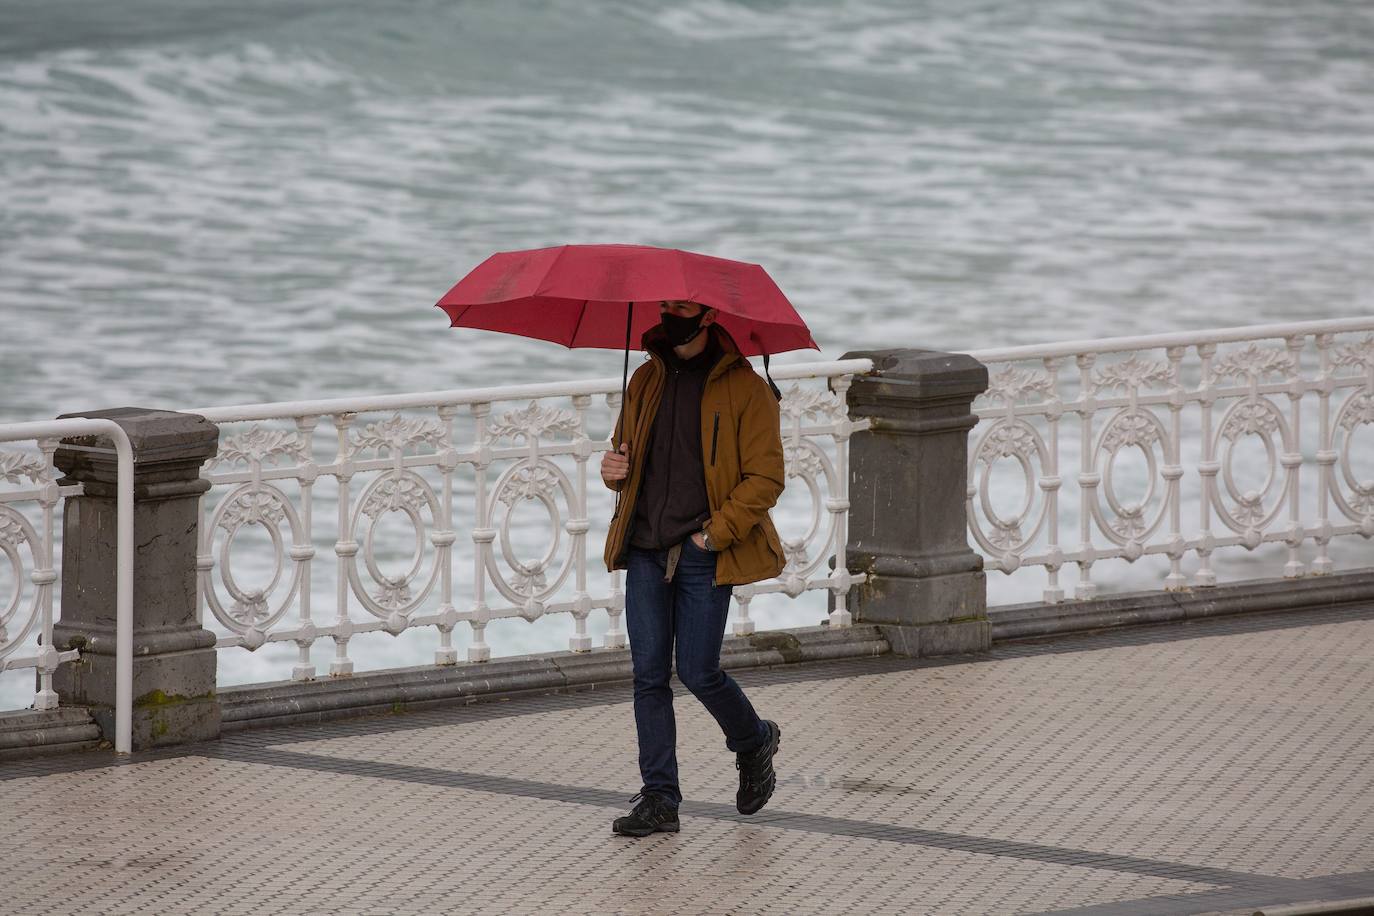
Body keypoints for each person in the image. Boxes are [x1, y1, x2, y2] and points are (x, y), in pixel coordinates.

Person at [601, 298, 788, 838]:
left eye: (680, 307)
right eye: (664, 305)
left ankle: (754, 740)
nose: (669, 314)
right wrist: (612, 470)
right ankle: (660, 798)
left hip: (702, 551)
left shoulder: (747, 389)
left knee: (698, 670)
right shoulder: (645, 379)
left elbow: (766, 479)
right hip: (644, 546)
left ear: (708, 316)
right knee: (648, 675)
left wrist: (712, 536)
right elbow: (621, 463)